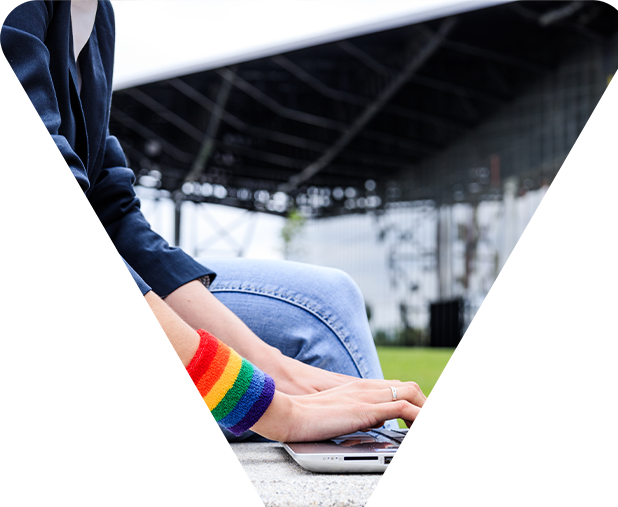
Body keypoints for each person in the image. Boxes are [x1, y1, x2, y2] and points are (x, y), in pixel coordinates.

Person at [0, 0, 444, 457]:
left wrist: (281, 373)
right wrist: (278, 411)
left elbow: (107, 212)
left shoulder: (94, 14)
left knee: (324, 302)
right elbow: (26, 212)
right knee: (317, 345)